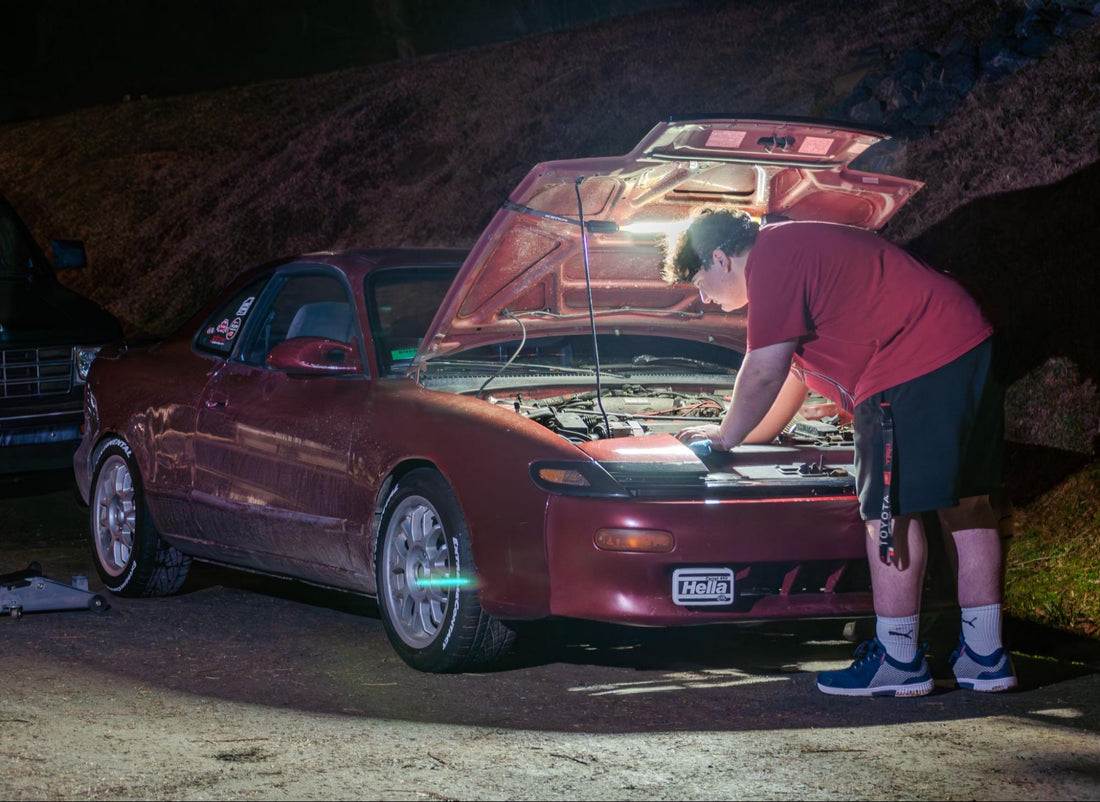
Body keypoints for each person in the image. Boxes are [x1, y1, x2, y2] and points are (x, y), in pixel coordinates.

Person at [665, 209, 1016, 697]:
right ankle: (986, 656)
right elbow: (791, 378)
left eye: (702, 284)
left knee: (890, 517)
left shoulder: (771, 261)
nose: (703, 298)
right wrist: (743, 439)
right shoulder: (794, 248)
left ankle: (899, 660)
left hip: (908, 362)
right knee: (968, 502)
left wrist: (722, 439)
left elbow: (763, 370)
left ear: (720, 258)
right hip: (966, 339)